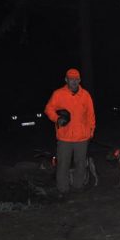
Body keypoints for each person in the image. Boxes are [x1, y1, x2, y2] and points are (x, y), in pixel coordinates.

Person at [44, 68, 96, 199]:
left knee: (81, 163)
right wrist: (57, 118)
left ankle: (78, 187)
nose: (73, 81)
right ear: (66, 80)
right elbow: (48, 109)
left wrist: (91, 131)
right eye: (70, 79)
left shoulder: (85, 95)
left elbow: (91, 115)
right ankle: (63, 189)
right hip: (64, 137)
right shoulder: (58, 94)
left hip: (82, 137)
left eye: (76, 79)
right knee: (63, 164)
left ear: (79, 80)